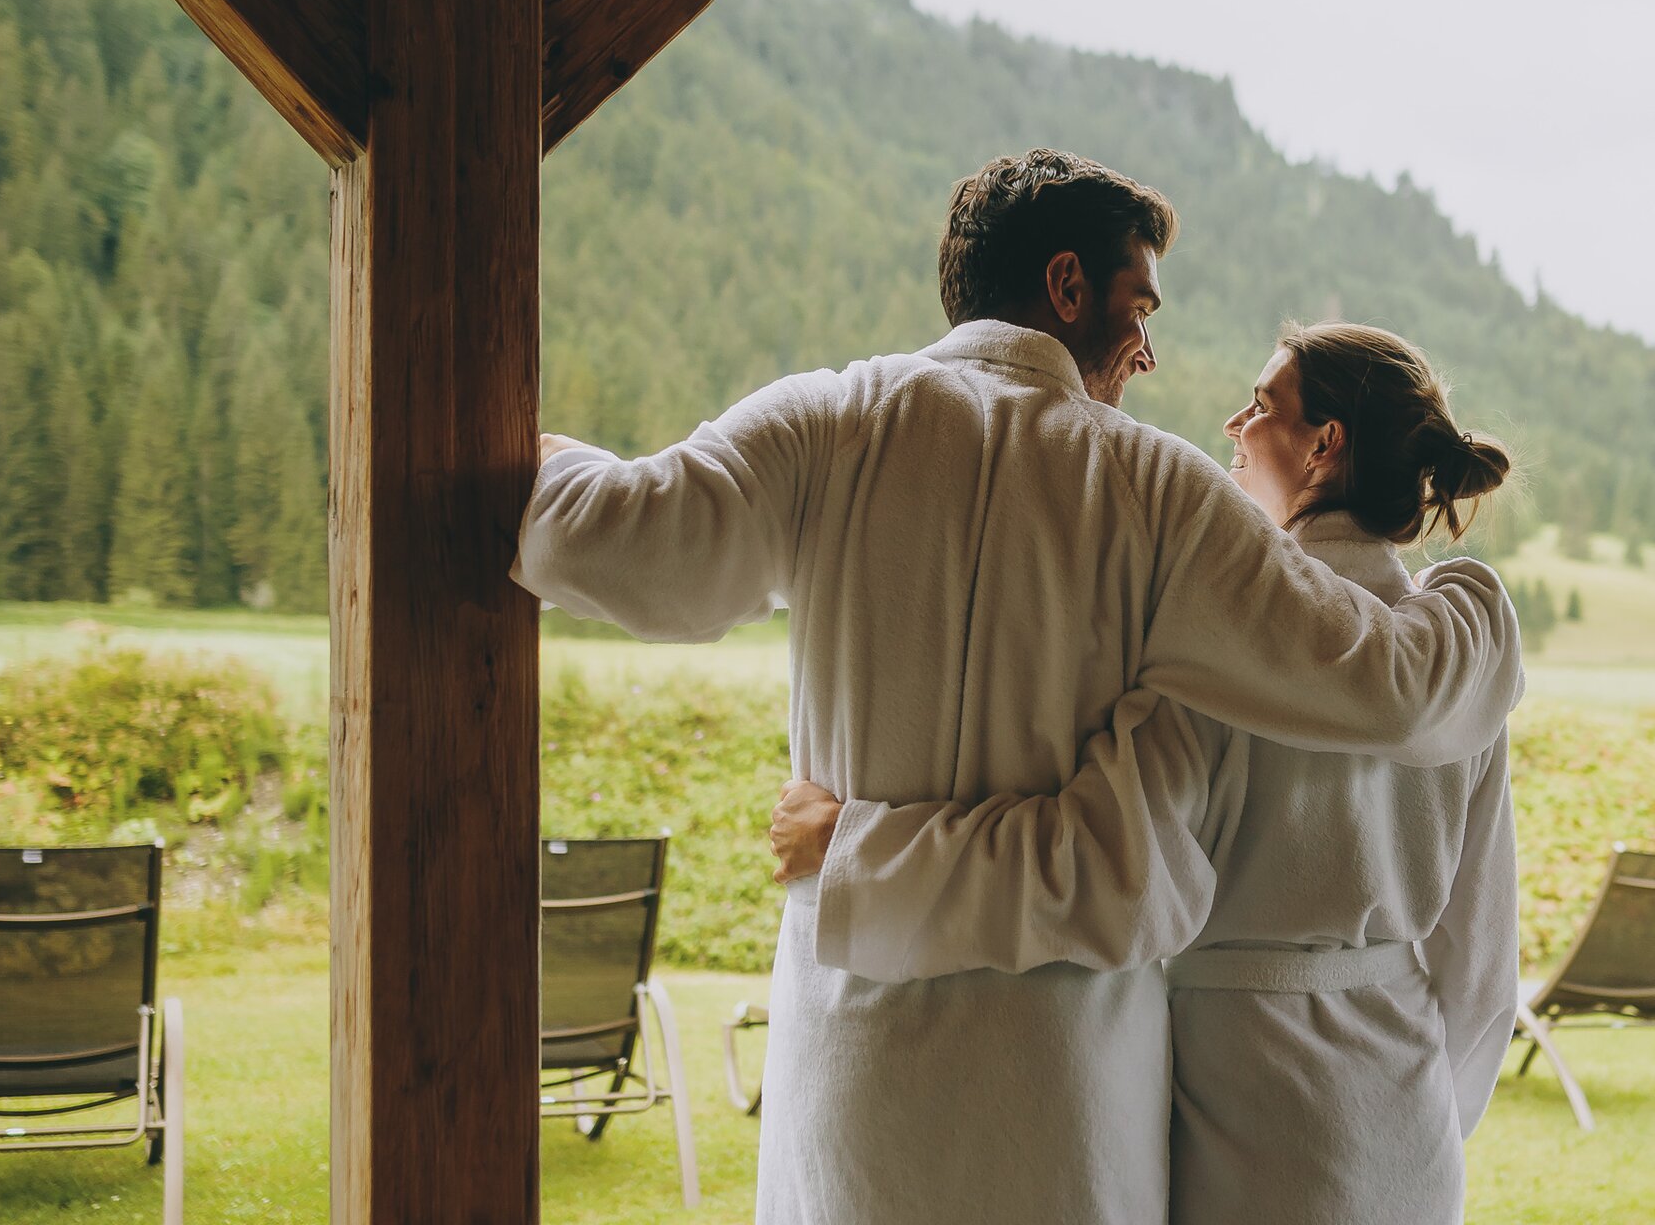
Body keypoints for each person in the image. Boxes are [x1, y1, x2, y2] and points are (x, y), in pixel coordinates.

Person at [510, 151, 1523, 1225]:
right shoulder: (1160, 492)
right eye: (1138, 303)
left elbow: (616, 540)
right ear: (1067, 287)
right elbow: (1383, 682)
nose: (1149, 344)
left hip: (856, 1086)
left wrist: (545, 457)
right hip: (1066, 1116)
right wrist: (1475, 603)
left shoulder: (822, 422)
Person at [771, 321, 1521, 1225]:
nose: (1233, 425)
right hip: (1408, 1116)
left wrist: (855, 847)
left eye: (1260, 406)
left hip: (1251, 1115)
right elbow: (1480, 961)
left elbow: (1099, 869)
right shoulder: (1464, 666)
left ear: (1324, 446)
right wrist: (1435, 1111)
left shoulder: (1221, 649)